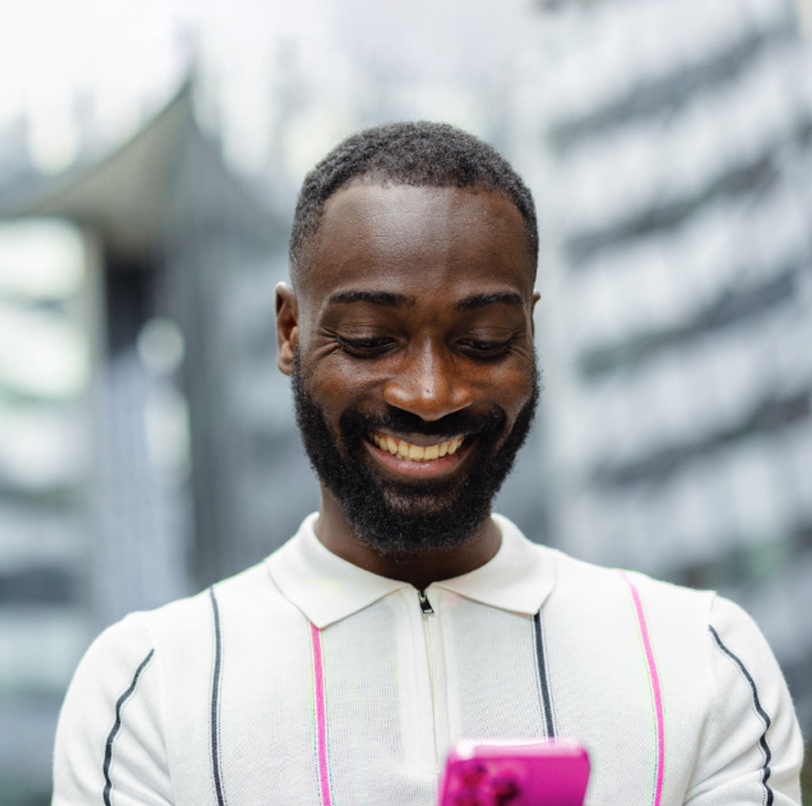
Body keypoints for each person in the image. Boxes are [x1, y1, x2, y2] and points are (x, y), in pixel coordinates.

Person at [52, 122, 803, 806]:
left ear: (532, 336)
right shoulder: (148, 690)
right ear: (289, 332)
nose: (431, 394)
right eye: (372, 339)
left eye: (482, 342)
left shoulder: (701, 660)